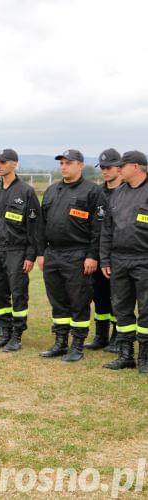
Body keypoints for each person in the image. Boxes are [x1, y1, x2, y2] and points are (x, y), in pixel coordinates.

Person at [37, 150, 105, 362]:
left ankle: (77, 346)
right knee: (58, 301)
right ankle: (60, 343)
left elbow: (98, 227)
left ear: (81, 165)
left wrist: (92, 255)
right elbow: (41, 225)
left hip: (78, 253)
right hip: (53, 253)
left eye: (69, 163)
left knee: (78, 301)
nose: (64, 167)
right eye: (62, 163)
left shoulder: (92, 191)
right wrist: (41, 252)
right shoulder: (51, 190)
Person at [0, 149, 40, 352]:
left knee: (18, 294)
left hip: (17, 251)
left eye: (3, 162)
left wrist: (30, 255)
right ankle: (4, 332)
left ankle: (17, 336)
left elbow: (34, 228)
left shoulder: (26, 191)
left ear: (14, 164)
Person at [100, 150, 148, 373]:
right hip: (118, 259)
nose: (118, 169)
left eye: (122, 166)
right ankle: (125, 354)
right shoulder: (118, 193)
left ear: (136, 167)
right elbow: (107, 229)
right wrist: (105, 258)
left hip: (143, 259)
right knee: (122, 308)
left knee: (146, 309)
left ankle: (145, 358)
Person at [85, 149, 122, 351]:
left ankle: (119, 336)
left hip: (119, 253)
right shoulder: (97, 192)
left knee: (119, 297)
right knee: (99, 295)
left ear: (119, 168)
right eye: (102, 168)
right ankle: (101, 335)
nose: (105, 171)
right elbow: (91, 224)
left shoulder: (127, 191)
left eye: (109, 168)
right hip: (98, 253)